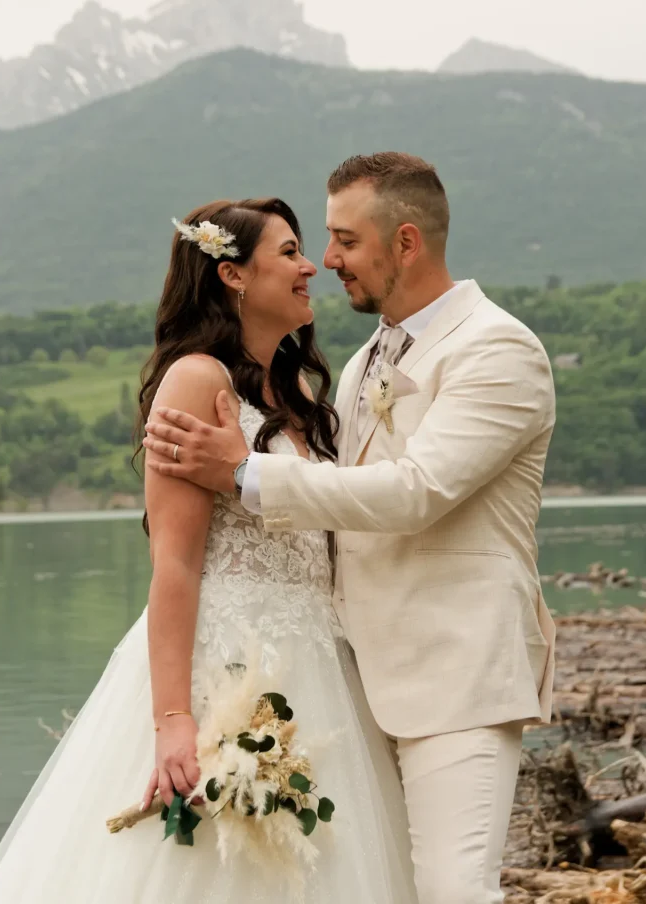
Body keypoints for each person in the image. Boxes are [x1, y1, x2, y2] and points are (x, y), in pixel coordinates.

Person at [143, 153, 558, 904]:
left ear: (405, 242)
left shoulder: (497, 349)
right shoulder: (361, 360)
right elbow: (179, 558)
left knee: (454, 892)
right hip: (336, 680)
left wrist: (244, 472)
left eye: (341, 240)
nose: (325, 262)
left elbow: (416, 491)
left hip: (452, 671)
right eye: (307, 246)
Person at [0, 197, 417, 903]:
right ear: (233, 276)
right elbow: (175, 563)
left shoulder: (300, 390)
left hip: (321, 667)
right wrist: (175, 721)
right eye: (288, 252)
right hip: (226, 667)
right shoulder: (196, 379)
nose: (311, 266)